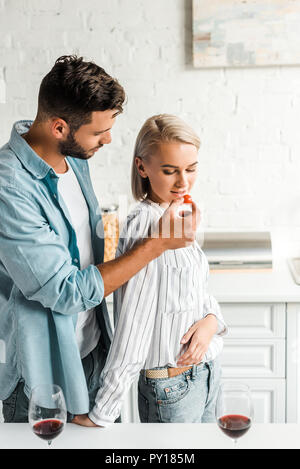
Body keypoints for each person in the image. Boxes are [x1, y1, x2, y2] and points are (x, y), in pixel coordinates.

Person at [0, 57, 201, 422]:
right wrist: (155, 245)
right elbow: (65, 291)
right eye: (98, 132)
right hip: (45, 374)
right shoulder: (9, 187)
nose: (108, 140)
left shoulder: (74, 158)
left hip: (94, 351)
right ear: (59, 127)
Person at [73, 114, 227, 427]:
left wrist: (213, 321)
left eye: (191, 169)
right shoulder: (146, 226)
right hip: (171, 389)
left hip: (207, 374)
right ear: (142, 167)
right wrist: (103, 412)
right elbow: (133, 326)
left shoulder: (179, 213)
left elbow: (199, 292)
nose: (183, 182)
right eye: (170, 171)